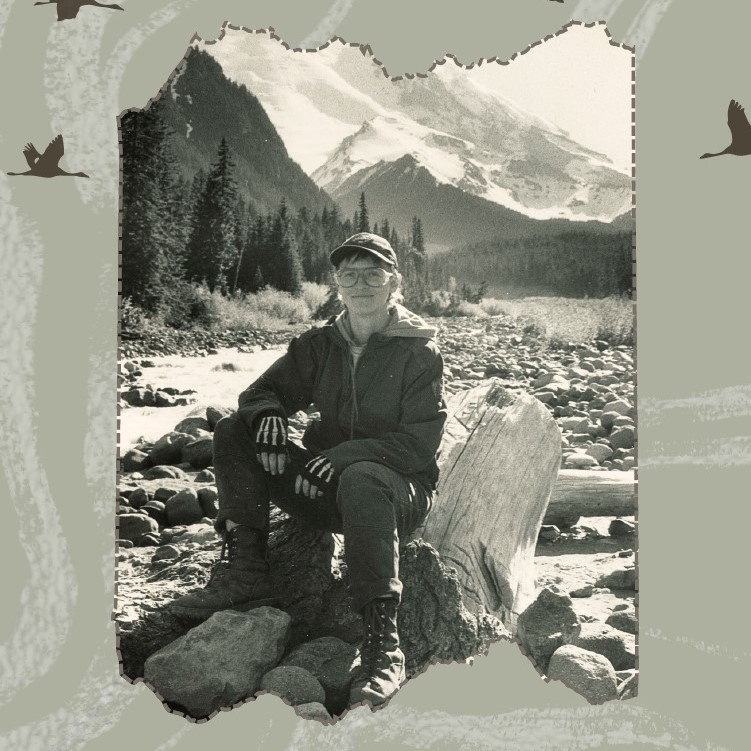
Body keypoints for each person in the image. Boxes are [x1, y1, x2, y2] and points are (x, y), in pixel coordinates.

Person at [170, 232, 447, 707]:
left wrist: (342, 456)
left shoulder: (418, 352)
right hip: (320, 485)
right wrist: (271, 419)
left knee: (363, 475)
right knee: (235, 429)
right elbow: (258, 393)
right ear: (336, 284)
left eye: (373, 273)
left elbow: (418, 446)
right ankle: (246, 572)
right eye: (349, 275)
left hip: (394, 493)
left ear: (394, 282)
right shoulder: (319, 345)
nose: (361, 284)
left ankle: (383, 643)